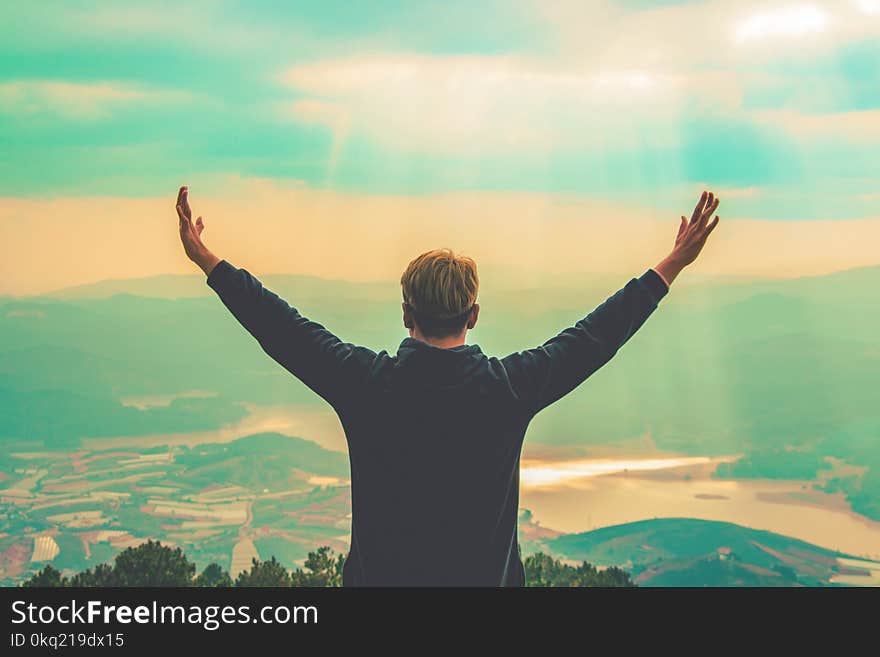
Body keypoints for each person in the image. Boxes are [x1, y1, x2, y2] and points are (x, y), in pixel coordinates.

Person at [176, 186, 720, 586]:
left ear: (406, 311)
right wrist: (670, 264)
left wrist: (209, 261)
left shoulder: (364, 385)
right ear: (474, 314)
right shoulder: (509, 390)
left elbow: (282, 328)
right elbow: (595, 336)